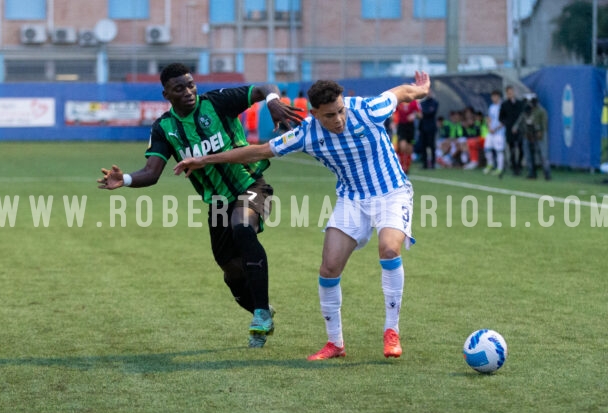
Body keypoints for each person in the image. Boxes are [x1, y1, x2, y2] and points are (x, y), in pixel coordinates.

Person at [174, 72, 431, 360]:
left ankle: (391, 331)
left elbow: (401, 93)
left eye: (340, 111)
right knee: (329, 268)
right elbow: (259, 151)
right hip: (352, 199)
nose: (339, 119)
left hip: (392, 192)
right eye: (330, 115)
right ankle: (335, 344)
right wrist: (203, 160)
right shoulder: (307, 132)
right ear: (315, 114)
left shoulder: (368, 109)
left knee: (388, 248)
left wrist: (421, 89)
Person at [97, 63, 303, 348]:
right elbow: (153, 172)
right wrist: (127, 179)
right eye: (179, 88)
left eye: (191, 85)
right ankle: (262, 310)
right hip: (218, 203)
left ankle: (259, 313)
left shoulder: (217, 102)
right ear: (166, 93)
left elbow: (264, 87)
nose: (189, 92)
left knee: (243, 227)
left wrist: (273, 102)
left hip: (251, 184)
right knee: (231, 271)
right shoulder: (165, 128)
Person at [513, 96, 551, 180]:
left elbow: (544, 123)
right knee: (528, 155)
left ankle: (547, 173)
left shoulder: (541, 111)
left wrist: (541, 132)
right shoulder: (527, 110)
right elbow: (521, 120)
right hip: (528, 134)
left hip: (539, 134)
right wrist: (516, 127)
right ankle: (531, 173)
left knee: (543, 154)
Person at [500, 85, 525, 175]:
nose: (510, 94)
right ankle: (514, 167)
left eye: (511, 92)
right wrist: (507, 123)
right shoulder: (504, 104)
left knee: (521, 148)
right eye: (508, 92)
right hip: (509, 130)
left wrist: (519, 126)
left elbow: (523, 115)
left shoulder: (520, 103)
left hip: (520, 130)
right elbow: (501, 117)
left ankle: (519, 165)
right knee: (512, 149)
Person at [483, 89, 506, 177]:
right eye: (493, 97)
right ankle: (490, 164)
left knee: (499, 151)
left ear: (499, 97)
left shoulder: (502, 107)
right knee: (487, 148)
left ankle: (500, 168)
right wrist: (489, 127)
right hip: (491, 132)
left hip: (499, 132)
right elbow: (489, 118)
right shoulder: (491, 107)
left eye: (496, 96)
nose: (494, 98)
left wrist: (495, 129)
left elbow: (504, 120)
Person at [395, 98, 420, 171]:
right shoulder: (399, 102)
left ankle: (407, 168)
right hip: (401, 126)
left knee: (409, 149)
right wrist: (394, 122)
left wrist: (414, 115)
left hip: (410, 127)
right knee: (402, 146)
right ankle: (402, 167)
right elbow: (395, 113)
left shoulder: (414, 102)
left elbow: (420, 115)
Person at [418, 89, 439, 169]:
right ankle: (425, 164)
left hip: (431, 128)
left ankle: (433, 163)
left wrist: (422, 113)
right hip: (423, 127)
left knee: (431, 145)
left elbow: (431, 113)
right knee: (423, 146)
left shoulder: (435, 103)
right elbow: (419, 113)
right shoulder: (422, 103)